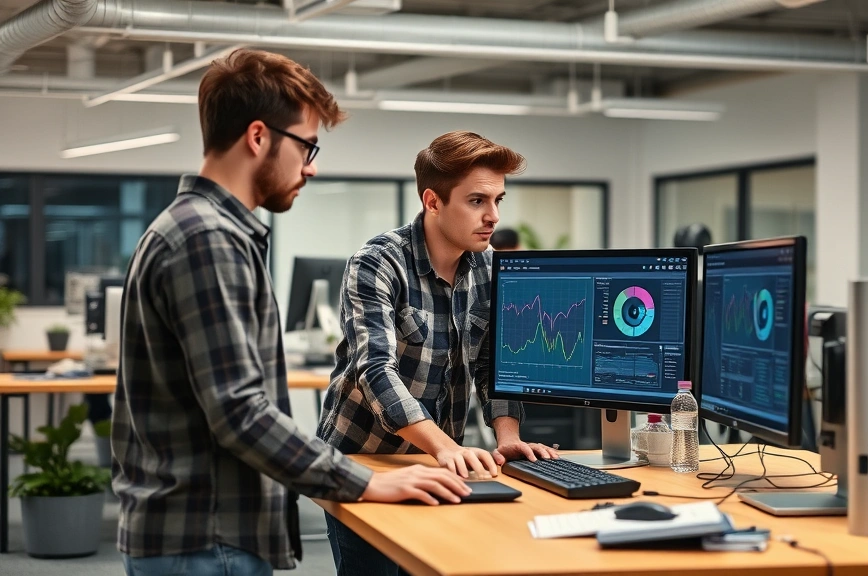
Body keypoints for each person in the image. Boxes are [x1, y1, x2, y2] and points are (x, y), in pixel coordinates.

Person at [111, 49, 469, 576]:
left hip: (200, 535)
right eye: (306, 145)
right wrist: (366, 481)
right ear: (258, 137)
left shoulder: (199, 229)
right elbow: (239, 413)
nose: (312, 165)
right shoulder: (207, 239)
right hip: (205, 537)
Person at [316, 130, 558, 575]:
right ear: (432, 201)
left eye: (498, 200)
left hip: (439, 461)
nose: (493, 216)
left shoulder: (486, 266)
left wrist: (507, 437)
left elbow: (491, 362)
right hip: (365, 460)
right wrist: (446, 448)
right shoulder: (378, 261)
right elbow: (374, 368)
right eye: (477, 201)